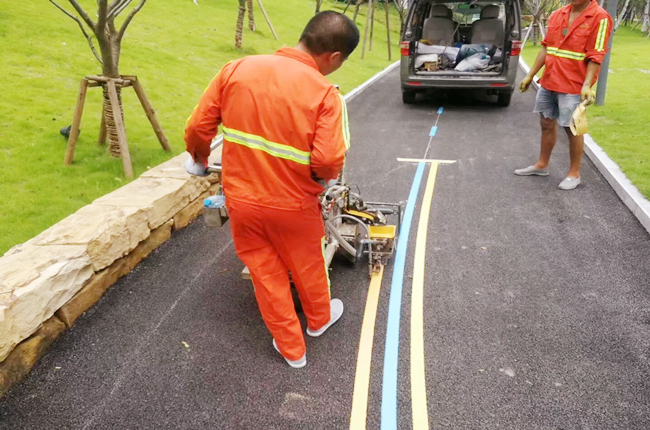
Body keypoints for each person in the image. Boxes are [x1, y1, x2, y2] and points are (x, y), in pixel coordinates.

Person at [184, 12, 359, 368]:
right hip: (294, 204)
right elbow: (328, 161)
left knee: (265, 273)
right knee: (308, 263)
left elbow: (198, 128)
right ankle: (320, 320)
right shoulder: (325, 94)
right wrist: (322, 180)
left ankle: (292, 350)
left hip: (243, 200)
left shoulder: (236, 69)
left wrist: (199, 159)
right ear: (335, 57)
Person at [517, 0, 613, 190]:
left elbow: (596, 54)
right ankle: (542, 165)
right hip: (550, 79)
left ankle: (574, 174)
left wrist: (587, 85)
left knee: (574, 129)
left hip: (574, 85)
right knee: (545, 123)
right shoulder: (557, 14)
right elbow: (546, 47)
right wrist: (530, 74)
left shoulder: (600, 17)